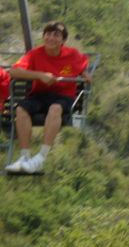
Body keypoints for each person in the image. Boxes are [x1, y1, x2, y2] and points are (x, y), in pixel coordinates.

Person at [4, 21, 91, 174]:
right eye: (48, 34)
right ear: (43, 37)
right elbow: (14, 72)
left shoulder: (72, 55)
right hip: (40, 95)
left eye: (56, 35)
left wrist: (84, 74)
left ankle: (40, 158)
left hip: (63, 96)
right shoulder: (35, 54)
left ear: (63, 41)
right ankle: (25, 157)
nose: (51, 38)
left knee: (55, 108)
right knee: (21, 109)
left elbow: (84, 69)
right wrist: (39, 75)